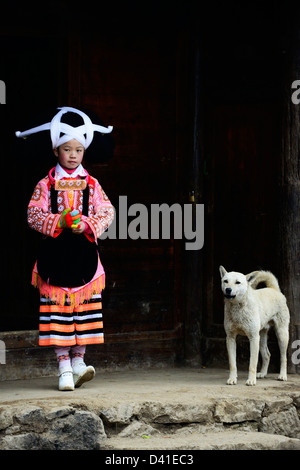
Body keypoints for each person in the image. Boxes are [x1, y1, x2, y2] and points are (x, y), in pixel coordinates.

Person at [16, 107, 114, 391]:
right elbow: (32, 215)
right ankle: (63, 366)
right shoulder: (45, 184)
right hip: (54, 258)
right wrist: (58, 220)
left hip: (85, 258)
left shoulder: (92, 184)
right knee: (57, 312)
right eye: (67, 149)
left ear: (85, 152)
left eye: (79, 150)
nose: (73, 155)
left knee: (85, 311)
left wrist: (86, 224)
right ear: (56, 151)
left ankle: (80, 361)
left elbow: (107, 212)